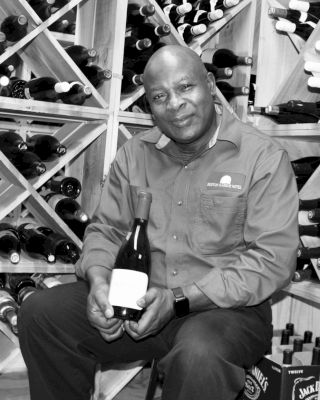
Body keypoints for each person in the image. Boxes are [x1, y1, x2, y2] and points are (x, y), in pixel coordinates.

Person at [18, 45, 299, 400]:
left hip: (226, 313)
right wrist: (100, 281)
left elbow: (272, 260)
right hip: (138, 301)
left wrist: (178, 300)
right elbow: (106, 230)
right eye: (159, 96)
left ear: (210, 84)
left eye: (185, 88)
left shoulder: (263, 158)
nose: (175, 104)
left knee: (200, 355)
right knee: (42, 313)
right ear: (149, 104)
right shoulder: (134, 154)